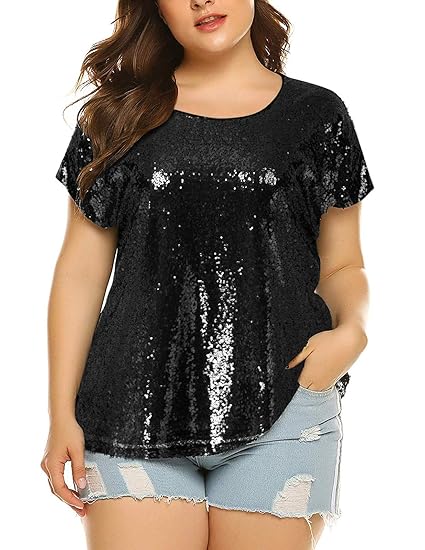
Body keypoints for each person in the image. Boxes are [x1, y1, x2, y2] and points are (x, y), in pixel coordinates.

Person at [40, 1, 375, 548]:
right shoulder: (114, 115)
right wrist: (60, 414)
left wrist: (353, 331)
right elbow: (80, 272)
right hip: (127, 410)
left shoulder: (318, 115)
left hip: (286, 403)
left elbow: (343, 263)